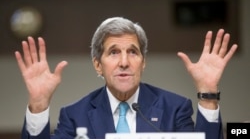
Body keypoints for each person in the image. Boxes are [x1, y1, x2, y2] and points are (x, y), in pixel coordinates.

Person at [16, 17, 238, 139]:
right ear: (97, 64)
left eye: (132, 52)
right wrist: (38, 104)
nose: (124, 62)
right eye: (113, 52)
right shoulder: (75, 115)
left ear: (143, 62)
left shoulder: (175, 108)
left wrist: (208, 93)